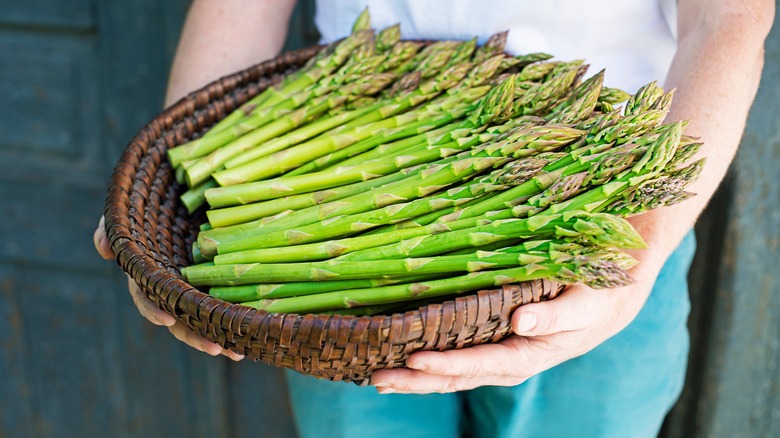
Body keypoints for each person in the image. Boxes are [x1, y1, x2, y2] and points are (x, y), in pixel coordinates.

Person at [94, 0, 774, 436]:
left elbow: (731, 18)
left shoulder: (614, 237)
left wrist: (636, 261)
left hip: (593, 213)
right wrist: (169, 166)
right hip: (341, 136)